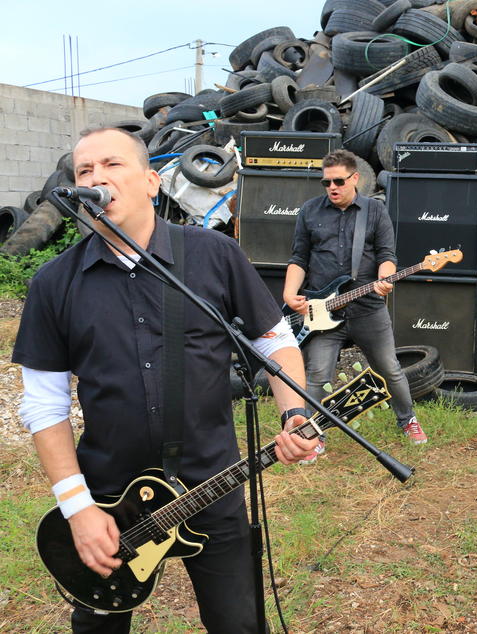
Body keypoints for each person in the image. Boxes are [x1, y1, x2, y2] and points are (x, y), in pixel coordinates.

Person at [13, 127, 319, 632]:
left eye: (111, 165)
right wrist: (77, 508)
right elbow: (44, 405)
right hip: (107, 495)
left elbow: (273, 339)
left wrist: (296, 413)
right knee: (98, 627)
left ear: (153, 182)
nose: (95, 178)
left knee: (239, 623)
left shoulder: (214, 255)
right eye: (84, 171)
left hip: (212, 481)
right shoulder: (54, 283)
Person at [283, 149, 426, 444]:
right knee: (317, 375)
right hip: (322, 311)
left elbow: (387, 255)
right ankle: (310, 435)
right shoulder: (310, 211)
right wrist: (289, 293)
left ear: (355, 178)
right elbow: (299, 258)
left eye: (338, 182)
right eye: (326, 183)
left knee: (389, 368)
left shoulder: (374, 211)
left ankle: (408, 420)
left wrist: (385, 277)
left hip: (367, 307)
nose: (332, 188)